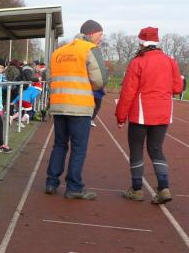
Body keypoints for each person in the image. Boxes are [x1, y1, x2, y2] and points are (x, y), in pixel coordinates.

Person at [115, 26, 183, 205]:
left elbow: (128, 92)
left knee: (136, 148)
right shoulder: (170, 61)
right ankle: (164, 187)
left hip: (141, 113)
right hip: (163, 112)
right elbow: (177, 88)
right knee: (156, 149)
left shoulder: (138, 62)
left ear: (141, 43)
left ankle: (137, 189)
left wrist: (121, 117)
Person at [44, 19, 108, 199]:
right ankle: (74, 187)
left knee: (59, 144)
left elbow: (49, 76)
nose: (101, 38)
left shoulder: (59, 51)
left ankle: (51, 182)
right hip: (79, 106)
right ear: (91, 33)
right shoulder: (89, 49)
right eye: (100, 34)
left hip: (59, 105)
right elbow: (100, 80)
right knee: (78, 148)